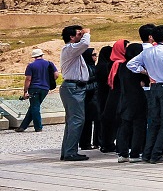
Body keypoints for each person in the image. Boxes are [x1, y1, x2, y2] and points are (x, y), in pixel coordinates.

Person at [126, 25, 163, 164]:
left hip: (154, 87)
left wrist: (145, 72)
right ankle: (157, 153)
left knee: (154, 122)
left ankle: (147, 153)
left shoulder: (147, 52)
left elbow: (131, 64)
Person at [58, 24, 91, 162]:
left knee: (72, 121)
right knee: (77, 120)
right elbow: (85, 44)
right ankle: (70, 152)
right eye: (79, 34)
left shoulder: (72, 51)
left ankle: (67, 151)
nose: (81, 35)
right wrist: (87, 33)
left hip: (74, 88)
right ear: (71, 37)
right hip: (73, 88)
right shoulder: (70, 48)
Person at [116, 42, 148, 163]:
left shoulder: (122, 66)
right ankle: (135, 153)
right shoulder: (137, 67)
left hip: (125, 98)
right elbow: (145, 81)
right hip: (138, 98)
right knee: (139, 126)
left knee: (125, 126)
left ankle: (123, 153)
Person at [17, 48, 58, 133]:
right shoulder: (49, 64)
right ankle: (22, 127)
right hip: (45, 88)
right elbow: (56, 75)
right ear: (42, 55)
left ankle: (38, 127)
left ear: (34, 57)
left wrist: (25, 91)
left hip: (34, 88)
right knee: (33, 106)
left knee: (35, 107)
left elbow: (28, 79)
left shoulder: (31, 66)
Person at [100, 40, 127, 153]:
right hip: (119, 94)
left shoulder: (112, 63)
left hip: (112, 95)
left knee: (110, 120)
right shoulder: (120, 64)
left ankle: (107, 143)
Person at [79, 48, 101, 150]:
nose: (95, 57)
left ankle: (94, 142)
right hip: (89, 98)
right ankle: (85, 143)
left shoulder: (92, 67)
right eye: (93, 55)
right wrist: (97, 83)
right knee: (88, 122)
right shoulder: (86, 68)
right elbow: (84, 85)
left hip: (93, 98)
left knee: (95, 120)